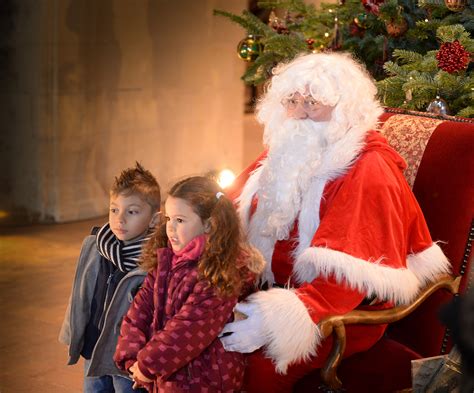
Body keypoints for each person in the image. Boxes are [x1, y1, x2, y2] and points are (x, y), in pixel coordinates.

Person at [219, 52, 452, 392]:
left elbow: (346, 281)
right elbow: (225, 213)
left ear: (343, 109)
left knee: (252, 369)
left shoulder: (367, 167)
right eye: (292, 100)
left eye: (312, 103)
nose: (298, 112)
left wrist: (272, 322)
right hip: (269, 291)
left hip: (338, 315)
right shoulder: (285, 152)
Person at [113, 176, 264, 392]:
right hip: (166, 373)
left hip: (204, 379)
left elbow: (188, 329)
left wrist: (146, 366)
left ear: (209, 224)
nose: (170, 228)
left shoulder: (221, 274)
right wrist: (131, 358)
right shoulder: (168, 261)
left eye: (180, 220)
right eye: (168, 219)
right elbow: (140, 309)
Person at [59, 162, 161, 393]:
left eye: (132, 212)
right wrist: (73, 333)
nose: (120, 219)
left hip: (129, 358)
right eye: (114, 209)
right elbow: (79, 294)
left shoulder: (155, 260)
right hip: (94, 347)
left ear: (154, 219)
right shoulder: (96, 246)